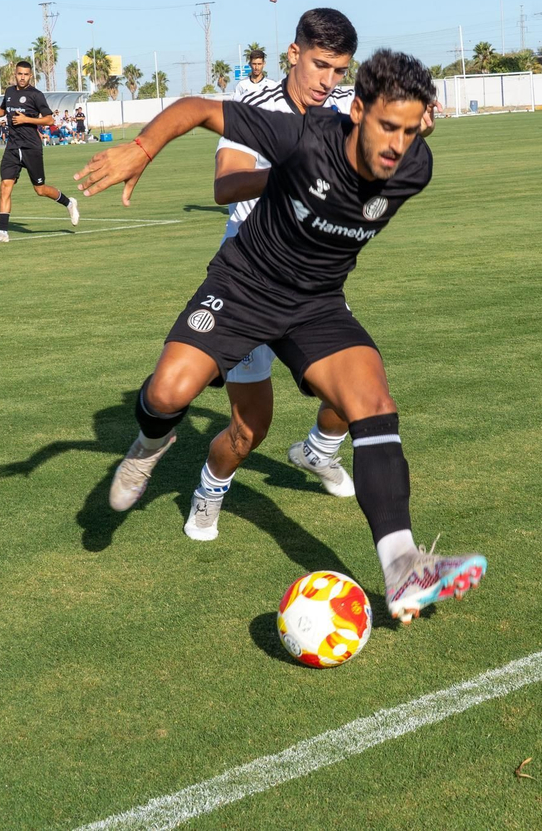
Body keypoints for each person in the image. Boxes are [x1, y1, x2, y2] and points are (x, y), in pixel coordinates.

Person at [74, 48, 486, 624]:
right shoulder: (305, 139)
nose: (397, 145)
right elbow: (195, 108)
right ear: (358, 111)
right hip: (245, 286)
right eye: (387, 126)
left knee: (373, 405)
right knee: (167, 395)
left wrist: (418, 122)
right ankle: (148, 446)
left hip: (316, 305)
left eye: (410, 130)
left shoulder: (416, 166)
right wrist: (141, 150)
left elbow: (412, 134)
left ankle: (401, 567)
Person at [180, 8, 362, 543]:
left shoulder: (344, 110)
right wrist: (293, 170)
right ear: (294, 54)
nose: (329, 83)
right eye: (321, 66)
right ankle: (210, 490)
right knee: (249, 429)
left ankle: (316, 451)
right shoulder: (251, 106)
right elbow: (226, 186)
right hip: (249, 278)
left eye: (340, 71)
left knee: (355, 399)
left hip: (311, 280)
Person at [0, 60, 79, 244]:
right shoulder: (10, 92)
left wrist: (26, 119)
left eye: (26, 74)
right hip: (12, 147)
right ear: (15, 74)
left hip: (31, 148)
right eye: (20, 74)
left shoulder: (36, 95)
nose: (22, 77)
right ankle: (3, 232)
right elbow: (3, 109)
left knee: (40, 190)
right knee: (5, 186)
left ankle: (69, 203)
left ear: (30, 76)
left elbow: (50, 120)